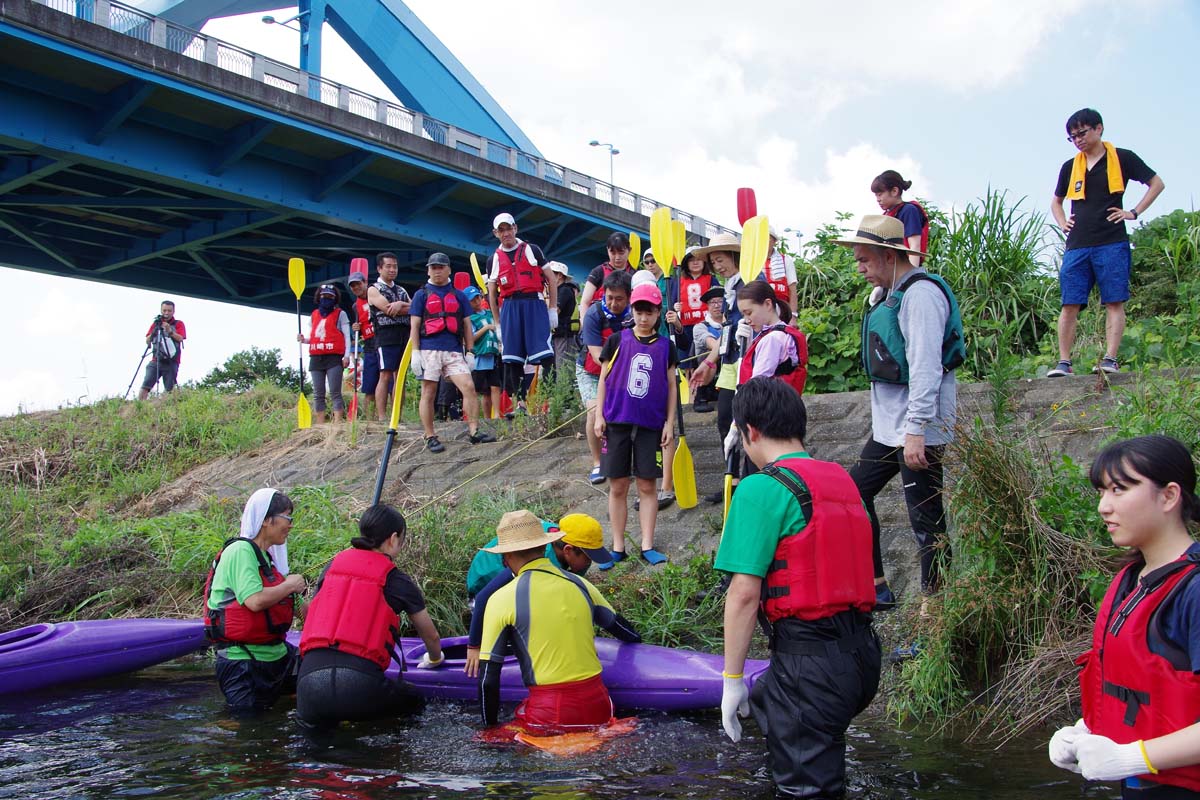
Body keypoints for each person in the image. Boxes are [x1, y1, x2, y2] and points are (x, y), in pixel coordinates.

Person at [717, 377, 880, 798]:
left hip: (812, 665)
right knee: (771, 701)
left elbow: (744, 595)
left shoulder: (760, 488)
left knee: (806, 790)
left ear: (749, 431)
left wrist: (732, 679)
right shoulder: (842, 480)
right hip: (862, 657)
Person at [1049, 435, 1200, 798]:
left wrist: (1134, 756)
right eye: (1102, 491)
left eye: (1119, 489)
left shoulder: (1193, 590)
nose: (1104, 506)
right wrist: (1088, 729)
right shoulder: (1131, 580)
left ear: (1168, 496)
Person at [836, 215, 964, 610]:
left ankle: (935, 612)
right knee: (853, 493)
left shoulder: (921, 295)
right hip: (892, 428)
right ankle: (877, 585)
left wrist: (916, 430)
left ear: (889, 256)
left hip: (918, 429)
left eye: (865, 260)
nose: (860, 268)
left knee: (926, 523)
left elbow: (925, 366)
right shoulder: (890, 293)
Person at [476, 510, 641, 732]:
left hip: (550, 711)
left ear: (507, 556)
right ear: (544, 547)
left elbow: (488, 679)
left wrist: (489, 728)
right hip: (599, 704)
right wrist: (639, 645)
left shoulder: (500, 599)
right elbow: (623, 630)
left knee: (506, 736)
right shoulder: (582, 585)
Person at [297, 504, 445, 730]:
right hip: (359, 686)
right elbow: (431, 636)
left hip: (309, 685)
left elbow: (311, 611)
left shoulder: (330, 568)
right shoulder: (397, 580)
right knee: (414, 701)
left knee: (318, 753)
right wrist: (435, 659)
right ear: (393, 539)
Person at [1048, 108, 1165, 377]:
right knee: (1070, 303)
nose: (1077, 139)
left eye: (1082, 133)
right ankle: (1064, 362)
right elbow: (1056, 201)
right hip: (1077, 243)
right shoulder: (1070, 166)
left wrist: (1133, 212)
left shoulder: (1122, 158)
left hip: (1111, 240)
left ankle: (1110, 358)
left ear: (1098, 128)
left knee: (1114, 300)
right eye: (1072, 137)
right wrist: (1062, 221)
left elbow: (1156, 183)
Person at [464, 513, 613, 676]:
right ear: (568, 551)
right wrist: (474, 647)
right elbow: (483, 599)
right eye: (588, 559)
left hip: (520, 579)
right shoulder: (526, 560)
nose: (588, 564)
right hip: (484, 584)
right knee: (513, 635)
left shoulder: (565, 545)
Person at [594, 282, 677, 566]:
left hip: (650, 425)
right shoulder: (617, 340)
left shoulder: (667, 347)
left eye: (649, 312)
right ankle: (617, 545)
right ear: (633, 310)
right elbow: (604, 379)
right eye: (639, 311)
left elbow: (671, 387)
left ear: (657, 313)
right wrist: (598, 415)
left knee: (647, 485)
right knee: (617, 485)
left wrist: (670, 423)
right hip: (616, 421)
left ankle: (647, 544)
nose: (644, 317)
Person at [202, 488, 305, 714]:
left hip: (277, 657)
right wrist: (290, 585)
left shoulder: (268, 562)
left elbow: (304, 614)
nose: (290, 525)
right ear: (266, 520)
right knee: (246, 727)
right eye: (287, 518)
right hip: (243, 663)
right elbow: (254, 601)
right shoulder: (240, 551)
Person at [409, 253, 496, 452]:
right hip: (429, 349)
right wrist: (415, 352)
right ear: (428, 270)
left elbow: (466, 324)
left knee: (468, 387)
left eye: (440, 267)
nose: (437, 271)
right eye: (433, 268)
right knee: (429, 392)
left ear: (448, 269)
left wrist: (471, 351)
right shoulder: (421, 295)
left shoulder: (458, 296)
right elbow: (414, 325)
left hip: (454, 350)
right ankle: (430, 435)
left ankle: (474, 431)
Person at [687, 233, 745, 503]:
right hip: (731, 363)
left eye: (720, 260)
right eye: (713, 262)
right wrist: (710, 362)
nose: (717, 267)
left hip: (749, 363)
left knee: (747, 424)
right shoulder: (729, 288)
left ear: (734, 257)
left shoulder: (748, 284)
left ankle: (747, 481)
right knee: (724, 421)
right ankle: (731, 480)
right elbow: (727, 333)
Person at [486, 213, 556, 408]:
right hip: (509, 306)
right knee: (511, 358)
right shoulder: (494, 259)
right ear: (495, 233)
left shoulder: (532, 250)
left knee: (545, 354)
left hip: (534, 303)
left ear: (515, 228)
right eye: (501, 230)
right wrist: (498, 323)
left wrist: (552, 310)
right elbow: (492, 293)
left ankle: (552, 399)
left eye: (509, 228)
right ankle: (519, 403)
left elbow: (551, 279)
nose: (506, 233)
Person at [577, 270, 632, 484]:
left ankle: (625, 459)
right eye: (609, 298)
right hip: (591, 371)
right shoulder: (593, 314)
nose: (613, 303)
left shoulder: (634, 314)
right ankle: (598, 463)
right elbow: (595, 354)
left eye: (619, 299)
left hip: (625, 372)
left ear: (628, 297)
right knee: (594, 412)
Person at [297, 284, 351, 424]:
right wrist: (304, 340)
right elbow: (316, 336)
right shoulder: (314, 315)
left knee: (335, 392)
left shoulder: (341, 314)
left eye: (330, 297)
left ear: (334, 298)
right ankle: (320, 425)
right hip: (316, 358)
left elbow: (346, 337)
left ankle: (337, 423)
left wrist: (346, 355)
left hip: (333, 357)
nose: (326, 299)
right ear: (319, 297)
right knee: (318, 394)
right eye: (324, 296)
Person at [367, 252, 412, 422]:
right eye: (388, 266)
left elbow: (416, 306)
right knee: (385, 373)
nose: (392, 269)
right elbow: (388, 309)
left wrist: (401, 303)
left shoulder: (401, 290)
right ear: (379, 268)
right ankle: (382, 416)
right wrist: (404, 306)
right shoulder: (373, 289)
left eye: (395, 266)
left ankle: (397, 416)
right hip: (386, 334)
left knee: (400, 376)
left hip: (404, 333)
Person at [872, 170, 930, 267]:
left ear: (894, 191)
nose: (878, 199)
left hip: (905, 267)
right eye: (876, 195)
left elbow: (914, 246)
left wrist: (911, 276)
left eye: (880, 194)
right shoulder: (887, 215)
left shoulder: (909, 210)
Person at [465, 285, 502, 421]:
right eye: (472, 300)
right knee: (478, 390)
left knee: (495, 386)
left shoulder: (489, 313)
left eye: (478, 298)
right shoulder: (469, 318)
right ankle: (476, 417)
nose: (476, 302)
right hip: (478, 356)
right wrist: (486, 328)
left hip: (492, 354)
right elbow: (470, 338)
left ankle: (496, 415)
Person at [137, 300, 186, 400]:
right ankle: (140, 406)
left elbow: (181, 338)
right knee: (146, 385)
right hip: (156, 359)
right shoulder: (156, 324)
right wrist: (154, 332)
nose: (166, 313)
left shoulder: (178, 324)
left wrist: (170, 331)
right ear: (161, 310)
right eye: (164, 310)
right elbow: (147, 340)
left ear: (173, 311)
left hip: (171, 361)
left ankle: (167, 408)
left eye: (169, 310)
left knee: (170, 389)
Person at [579, 232, 635, 316]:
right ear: (607, 250)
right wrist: (584, 322)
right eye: (613, 253)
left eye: (621, 253)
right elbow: (585, 302)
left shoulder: (635, 275)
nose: (617, 257)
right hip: (598, 321)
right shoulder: (598, 272)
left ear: (629, 250)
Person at [348, 269, 379, 420]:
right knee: (369, 386)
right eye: (352, 286)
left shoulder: (377, 293)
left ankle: (388, 417)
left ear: (365, 283)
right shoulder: (355, 306)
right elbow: (359, 326)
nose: (356, 288)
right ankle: (369, 420)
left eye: (358, 284)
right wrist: (356, 328)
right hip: (368, 344)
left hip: (382, 341)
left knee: (388, 383)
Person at [689, 285, 725, 413]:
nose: (716, 305)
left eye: (720, 301)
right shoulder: (700, 327)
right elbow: (716, 346)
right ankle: (701, 397)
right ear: (708, 306)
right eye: (712, 302)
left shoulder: (734, 323)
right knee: (711, 361)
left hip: (728, 373)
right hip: (708, 375)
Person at [549, 261, 580, 366]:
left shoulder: (564, 291)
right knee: (554, 369)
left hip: (564, 336)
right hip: (558, 335)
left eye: (551, 273)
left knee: (563, 368)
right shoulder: (558, 290)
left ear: (560, 275)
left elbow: (555, 310)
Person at [760, 227, 799, 311]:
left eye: (767, 238)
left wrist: (793, 315)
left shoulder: (786, 260)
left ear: (774, 241)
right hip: (761, 311)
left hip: (783, 311)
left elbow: (793, 290)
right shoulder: (753, 263)